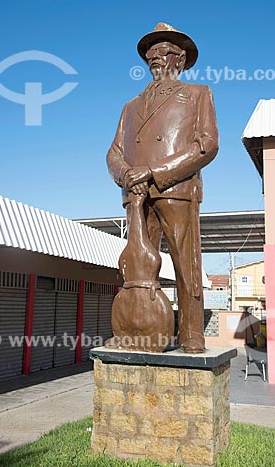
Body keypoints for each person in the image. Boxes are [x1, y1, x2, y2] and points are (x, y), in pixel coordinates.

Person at [107, 22, 219, 353]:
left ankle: (190, 333)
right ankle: (135, 333)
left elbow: (207, 145)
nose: (155, 57)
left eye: (163, 51)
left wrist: (154, 171)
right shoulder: (130, 106)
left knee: (186, 266)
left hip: (176, 189)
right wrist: (126, 174)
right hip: (137, 195)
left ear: (180, 58)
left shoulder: (198, 94)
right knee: (136, 267)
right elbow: (113, 151)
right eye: (150, 53)